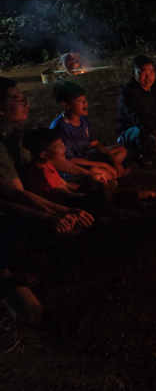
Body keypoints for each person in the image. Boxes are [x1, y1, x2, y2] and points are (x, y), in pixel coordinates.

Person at [0, 78, 93, 297]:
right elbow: (14, 196)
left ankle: (34, 250)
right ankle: (5, 274)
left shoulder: (19, 133)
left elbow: (52, 158)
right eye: (18, 100)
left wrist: (89, 173)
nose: (27, 104)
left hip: (30, 195)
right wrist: (55, 214)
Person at [22, 128, 156, 218]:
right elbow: (67, 194)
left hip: (69, 197)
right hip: (66, 207)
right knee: (103, 197)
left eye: (62, 144)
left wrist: (90, 178)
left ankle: (114, 199)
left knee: (98, 187)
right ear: (44, 154)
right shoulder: (42, 175)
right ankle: (119, 205)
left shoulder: (44, 163)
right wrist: (94, 194)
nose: (64, 149)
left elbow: (66, 183)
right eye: (59, 147)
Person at [50, 81, 128, 182]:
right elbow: (69, 160)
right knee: (94, 170)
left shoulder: (82, 118)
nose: (85, 103)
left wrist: (113, 159)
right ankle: (115, 175)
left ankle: (109, 173)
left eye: (85, 99)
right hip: (73, 165)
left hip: (88, 157)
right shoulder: (61, 128)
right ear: (66, 106)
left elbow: (94, 143)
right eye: (80, 100)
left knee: (121, 149)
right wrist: (102, 164)